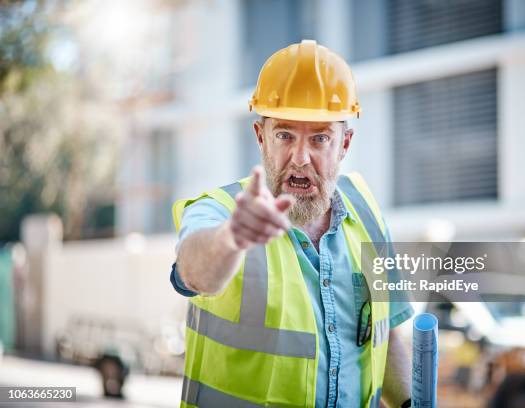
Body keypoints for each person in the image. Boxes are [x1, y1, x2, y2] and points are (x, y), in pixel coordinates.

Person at [170, 40, 413, 407]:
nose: (300, 158)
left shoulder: (367, 213)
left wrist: (410, 401)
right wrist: (232, 238)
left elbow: (388, 334)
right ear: (261, 137)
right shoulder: (221, 212)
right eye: (284, 135)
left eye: (319, 138)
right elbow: (193, 271)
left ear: (344, 144)